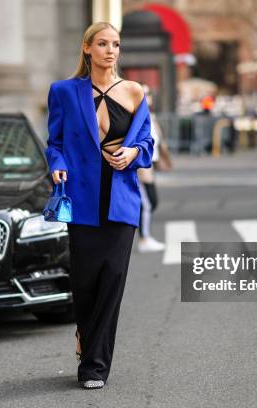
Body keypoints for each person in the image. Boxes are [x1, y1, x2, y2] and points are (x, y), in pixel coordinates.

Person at [45, 21, 154, 389]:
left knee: (112, 283)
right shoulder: (63, 91)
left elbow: (147, 144)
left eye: (116, 44)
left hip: (121, 201)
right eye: (103, 43)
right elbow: (55, 143)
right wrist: (57, 166)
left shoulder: (136, 92)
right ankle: (84, 333)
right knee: (85, 283)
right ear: (87, 48)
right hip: (82, 202)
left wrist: (133, 152)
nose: (111, 50)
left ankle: (93, 367)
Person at [137, 85, 165, 252]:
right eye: (144, 93)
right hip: (140, 166)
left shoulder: (149, 116)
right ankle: (144, 239)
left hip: (150, 165)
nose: (148, 96)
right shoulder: (136, 116)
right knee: (147, 203)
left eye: (148, 93)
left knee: (150, 203)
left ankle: (143, 236)